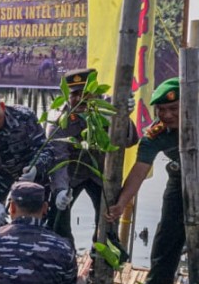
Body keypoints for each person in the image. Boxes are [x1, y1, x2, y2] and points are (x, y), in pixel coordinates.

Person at [106, 77, 181, 284]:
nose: (166, 115)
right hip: (180, 177)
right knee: (169, 229)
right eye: (161, 109)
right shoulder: (155, 135)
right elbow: (139, 170)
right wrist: (121, 203)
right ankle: (157, 282)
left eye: (173, 109)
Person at [47, 68, 138, 247]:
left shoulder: (111, 108)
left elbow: (130, 141)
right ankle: (65, 259)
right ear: (67, 96)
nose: (80, 99)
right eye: (75, 94)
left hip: (102, 175)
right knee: (57, 220)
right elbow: (59, 159)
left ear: (96, 94)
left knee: (108, 220)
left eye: (86, 94)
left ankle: (100, 263)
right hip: (72, 175)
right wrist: (60, 191)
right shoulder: (60, 120)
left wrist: (123, 118)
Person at [0, 87, 68, 227]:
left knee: (38, 218)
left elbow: (46, 151)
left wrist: (36, 168)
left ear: (1, 106)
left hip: (30, 170)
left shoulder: (25, 117)